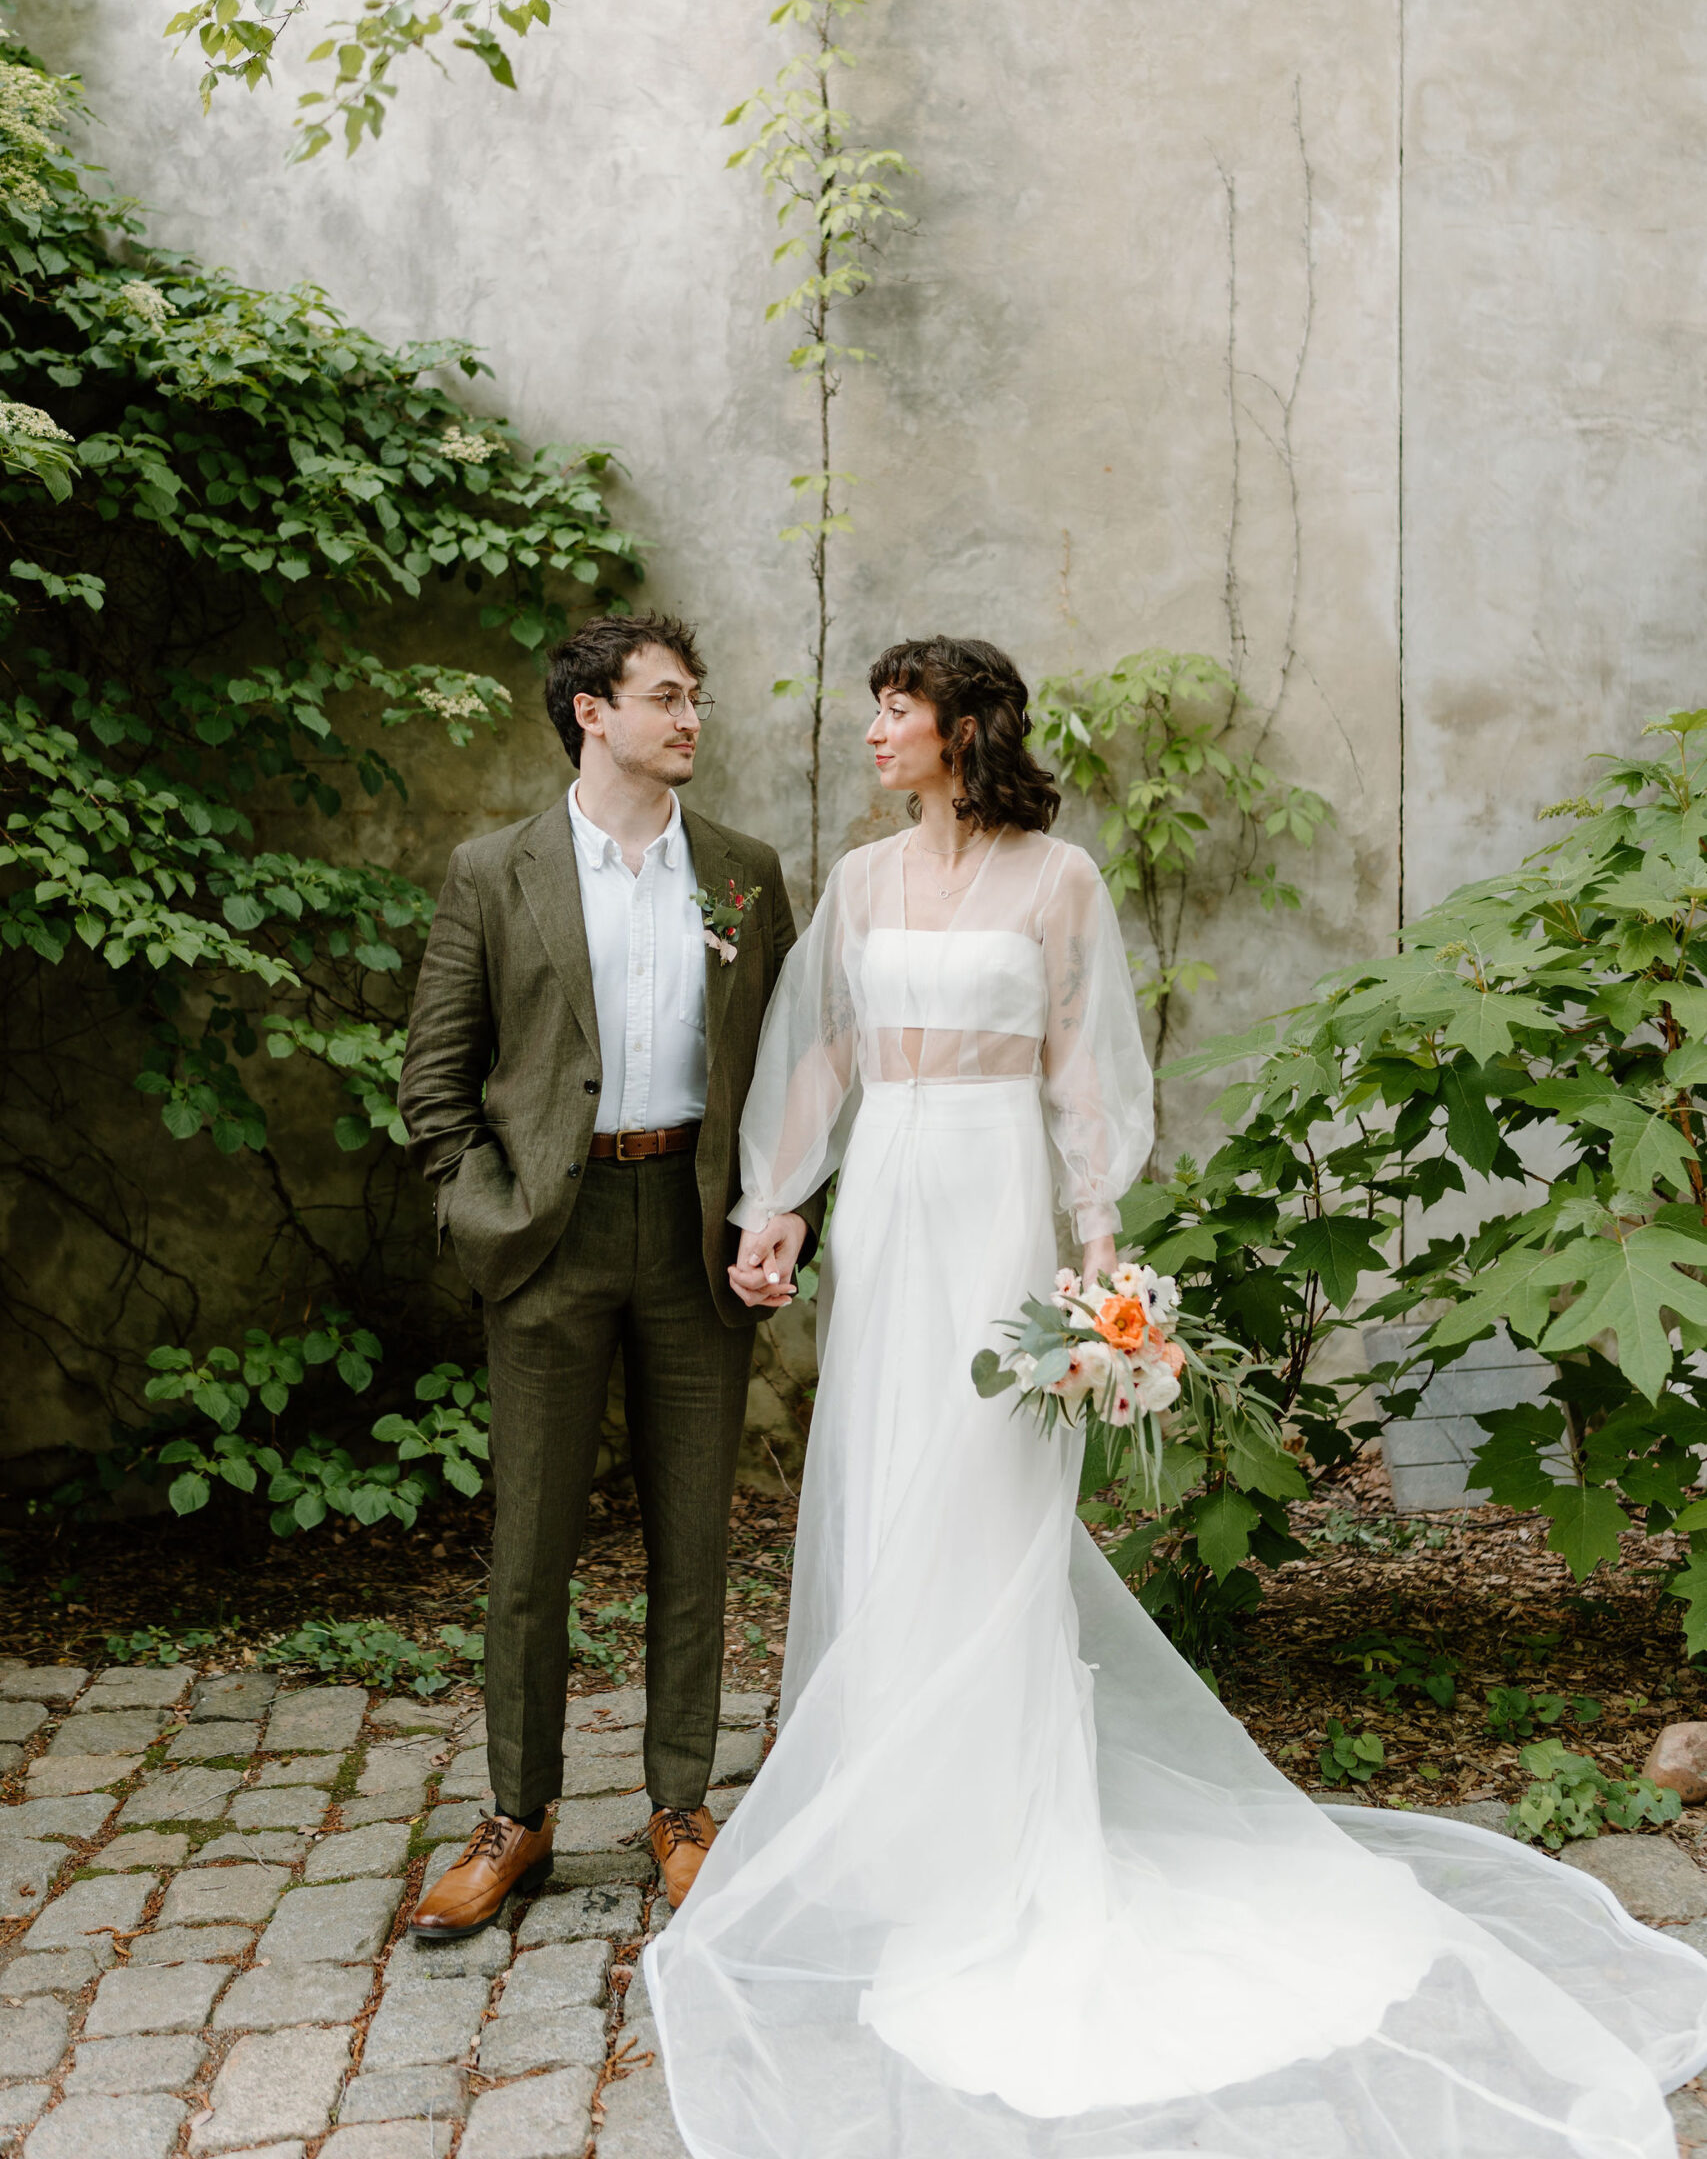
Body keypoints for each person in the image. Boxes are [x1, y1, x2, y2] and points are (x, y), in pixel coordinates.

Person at [646, 633, 1707, 2159]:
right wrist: (774, 1202)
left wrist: (1099, 1257)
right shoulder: (864, 882)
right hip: (892, 1198)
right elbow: (820, 1057)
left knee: (989, 1487)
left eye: (897, 709)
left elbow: (1087, 1069)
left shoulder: (1058, 883)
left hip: (1005, 1192)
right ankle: (892, 1827)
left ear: (963, 726)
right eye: (874, 707)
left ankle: (1008, 1827)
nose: (873, 729)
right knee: (883, 1484)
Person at [397, 612, 818, 1933]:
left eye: (696, 698)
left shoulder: (742, 873)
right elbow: (434, 1078)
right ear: (593, 713)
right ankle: (517, 1818)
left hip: (693, 1226)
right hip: (550, 1235)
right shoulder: (496, 870)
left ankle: (680, 1806)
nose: (692, 719)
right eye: (666, 698)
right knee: (530, 1548)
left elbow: (796, 1069)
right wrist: (483, 1218)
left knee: (697, 1536)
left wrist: (785, 1213)